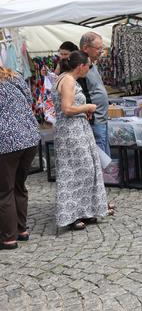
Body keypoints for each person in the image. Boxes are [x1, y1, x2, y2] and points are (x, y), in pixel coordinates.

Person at [53, 51, 108, 231]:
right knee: (76, 171)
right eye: (88, 65)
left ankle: (86, 210)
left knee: (85, 169)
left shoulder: (67, 78)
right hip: (71, 131)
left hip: (76, 129)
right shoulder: (68, 80)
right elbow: (67, 108)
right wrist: (87, 107)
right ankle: (72, 215)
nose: (89, 69)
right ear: (81, 66)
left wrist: (83, 111)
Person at [0, 66, 40, 250]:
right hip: (29, 137)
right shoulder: (15, 77)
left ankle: (8, 238)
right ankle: (21, 229)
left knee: (4, 191)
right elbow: (29, 101)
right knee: (19, 186)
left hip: (6, 142)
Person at [79, 32, 110, 156]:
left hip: (101, 117)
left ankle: (106, 176)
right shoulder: (82, 66)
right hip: (95, 118)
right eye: (98, 48)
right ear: (86, 48)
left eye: (102, 48)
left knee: (104, 151)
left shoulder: (92, 64)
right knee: (100, 154)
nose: (101, 52)